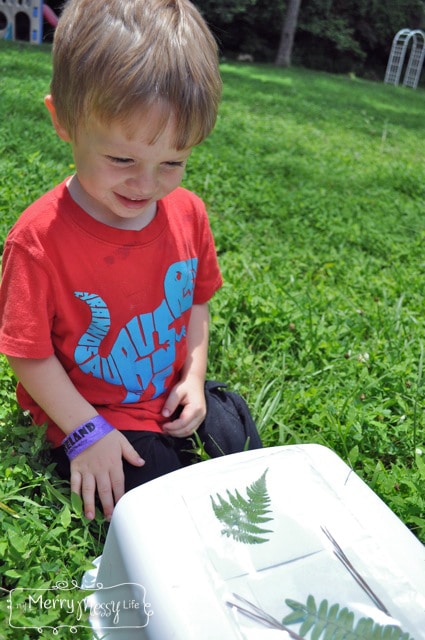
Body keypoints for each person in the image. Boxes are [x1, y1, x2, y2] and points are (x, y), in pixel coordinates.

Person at [0, 0, 262, 522]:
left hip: (167, 398)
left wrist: (193, 376)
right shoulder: (38, 240)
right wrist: (83, 429)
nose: (146, 185)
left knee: (241, 454)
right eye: (121, 159)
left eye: (173, 162)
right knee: (156, 504)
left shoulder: (188, 213)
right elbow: (27, 354)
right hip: (89, 410)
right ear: (64, 121)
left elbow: (196, 303)